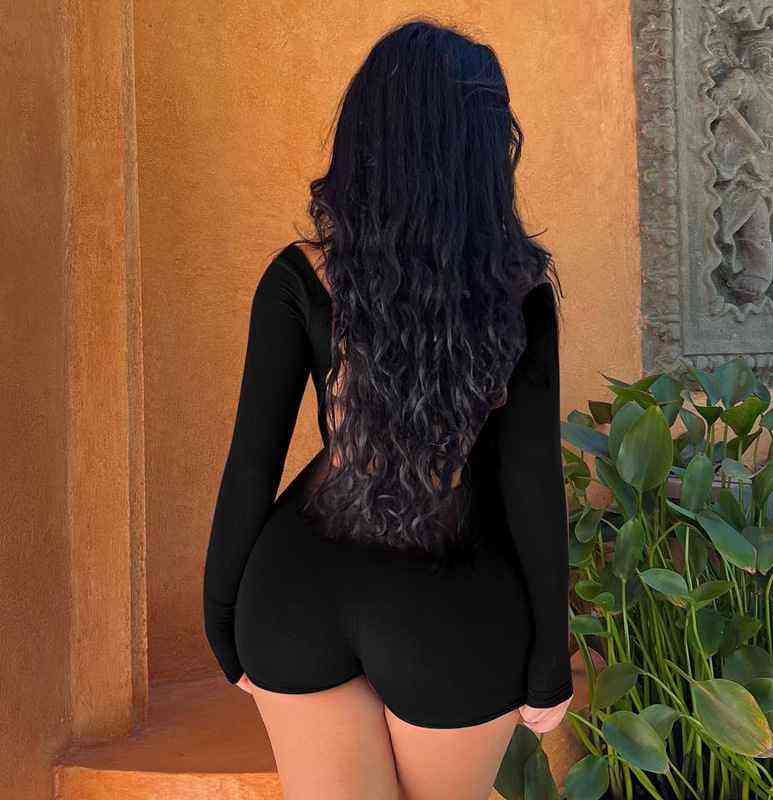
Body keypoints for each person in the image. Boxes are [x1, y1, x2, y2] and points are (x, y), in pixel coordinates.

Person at [203, 17, 573, 800]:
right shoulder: (519, 290)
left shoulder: (299, 273)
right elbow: (530, 484)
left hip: (297, 591)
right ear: (483, 150)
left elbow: (251, 462)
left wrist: (223, 616)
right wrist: (550, 663)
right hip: (451, 603)